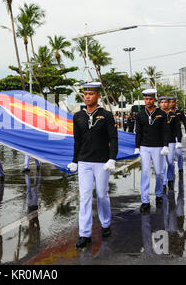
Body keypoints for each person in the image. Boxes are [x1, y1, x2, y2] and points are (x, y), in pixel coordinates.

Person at [67, 82, 118, 248]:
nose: (87, 96)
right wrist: (75, 160)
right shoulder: (78, 116)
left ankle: (105, 224)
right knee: (85, 196)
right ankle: (85, 234)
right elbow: (77, 140)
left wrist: (112, 158)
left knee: (102, 195)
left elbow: (113, 139)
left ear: (98, 96)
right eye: (85, 94)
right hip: (84, 162)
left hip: (102, 163)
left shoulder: (107, 115)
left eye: (90, 93)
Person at [134, 89, 170, 213]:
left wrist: (166, 146)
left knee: (159, 172)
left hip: (158, 147)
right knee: (145, 173)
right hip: (144, 147)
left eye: (150, 99)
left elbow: (165, 131)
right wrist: (137, 147)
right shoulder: (140, 114)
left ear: (154, 99)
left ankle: (159, 194)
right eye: (145, 99)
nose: (148, 101)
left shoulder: (161, 113)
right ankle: (145, 201)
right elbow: (138, 132)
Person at [159, 97, 178, 191]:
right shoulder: (157, 115)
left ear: (169, 104)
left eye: (166, 102)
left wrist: (179, 141)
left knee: (170, 162)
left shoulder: (173, 115)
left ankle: (170, 178)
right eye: (162, 102)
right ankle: (163, 183)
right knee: (162, 164)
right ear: (159, 104)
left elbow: (177, 129)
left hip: (171, 141)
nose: (164, 104)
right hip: (159, 142)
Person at [169, 97, 186, 174]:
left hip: (178, 135)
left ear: (175, 103)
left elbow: (185, 122)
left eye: (173, 102)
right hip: (169, 136)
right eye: (170, 102)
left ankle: (180, 167)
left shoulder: (179, 112)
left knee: (179, 153)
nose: (172, 104)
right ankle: (172, 167)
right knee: (170, 156)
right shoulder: (166, 113)